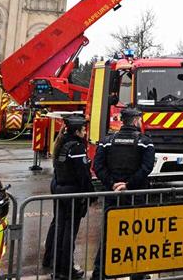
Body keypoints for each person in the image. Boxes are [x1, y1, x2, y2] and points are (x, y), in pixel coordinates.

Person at [90, 106, 155, 280]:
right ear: (135, 121)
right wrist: (129, 184)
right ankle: (138, 274)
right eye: (139, 119)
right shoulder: (145, 142)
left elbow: (98, 166)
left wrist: (112, 184)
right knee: (137, 234)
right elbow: (147, 168)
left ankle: (100, 273)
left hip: (113, 196)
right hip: (137, 195)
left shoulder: (107, 141)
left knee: (109, 234)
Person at [41, 115, 93, 280]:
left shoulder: (61, 144)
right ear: (77, 131)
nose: (85, 132)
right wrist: (90, 195)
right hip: (72, 193)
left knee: (60, 229)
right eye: (84, 130)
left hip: (60, 190)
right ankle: (66, 269)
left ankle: (56, 265)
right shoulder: (77, 148)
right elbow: (83, 175)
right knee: (69, 232)